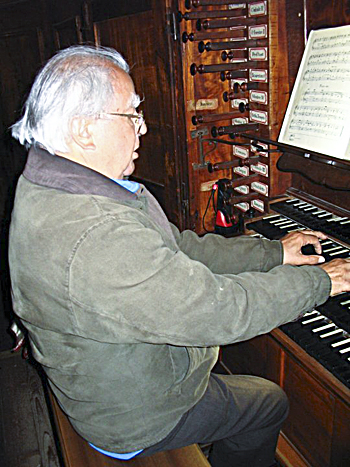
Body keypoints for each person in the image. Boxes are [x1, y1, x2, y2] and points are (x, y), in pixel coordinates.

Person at [8, 45, 350, 467]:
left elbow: (178, 248)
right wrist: (321, 280)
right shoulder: (96, 234)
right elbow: (220, 310)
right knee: (268, 402)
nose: (142, 129)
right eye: (131, 115)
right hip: (131, 416)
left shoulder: (55, 181)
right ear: (83, 130)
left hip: (105, 373)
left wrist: (274, 252)